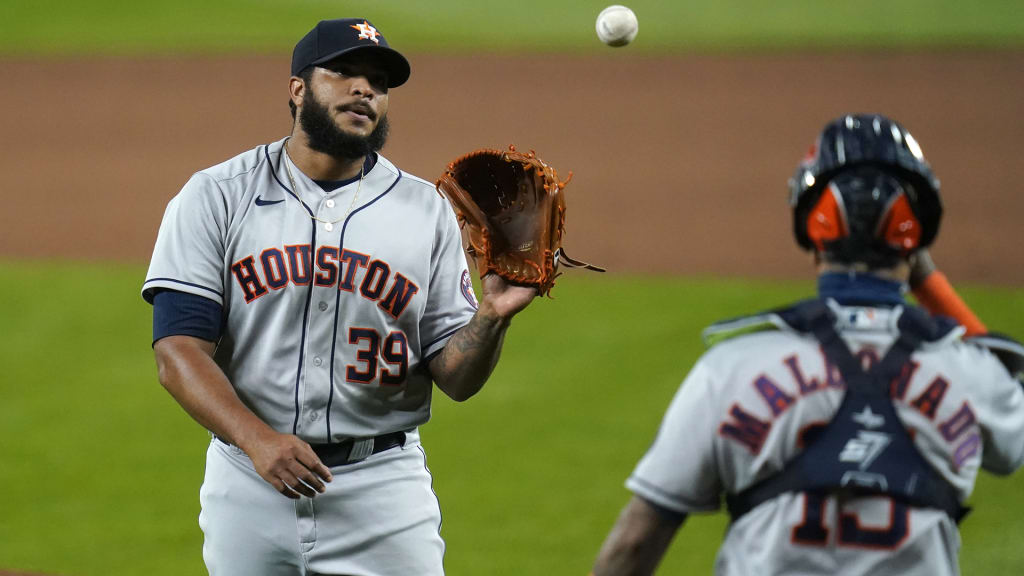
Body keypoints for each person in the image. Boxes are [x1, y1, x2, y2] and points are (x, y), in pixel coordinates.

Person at [142, 18, 538, 576]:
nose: (364, 89)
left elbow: (457, 379)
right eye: (344, 72)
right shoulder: (216, 196)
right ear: (297, 88)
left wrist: (492, 317)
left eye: (378, 81)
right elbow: (178, 350)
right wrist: (258, 441)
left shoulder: (426, 211)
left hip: (383, 491)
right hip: (247, 484)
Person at [590, 114, 1024, 576]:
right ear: (914, 238)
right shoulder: (975, 377)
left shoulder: (731, 369)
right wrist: (929, 282)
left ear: (813, 231)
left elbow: (635, 543)